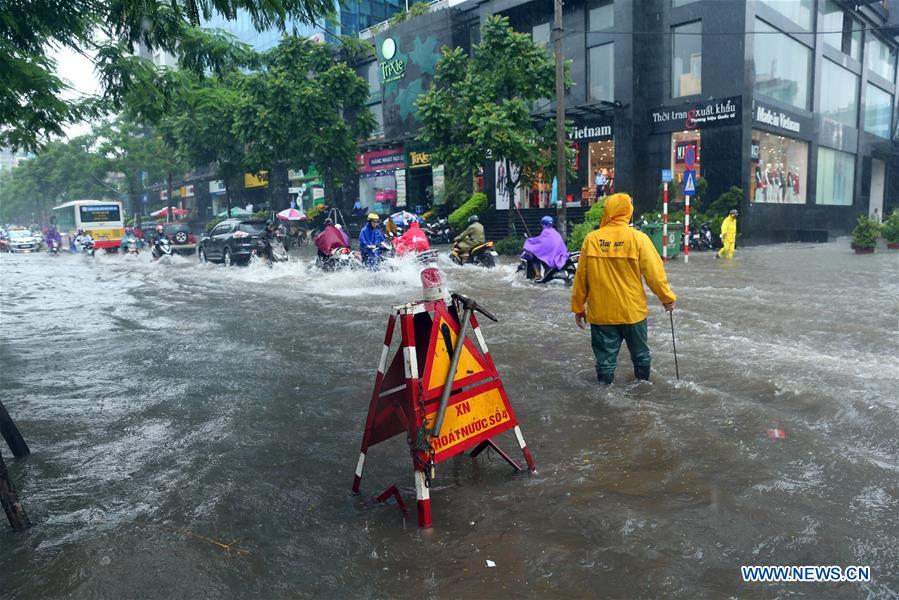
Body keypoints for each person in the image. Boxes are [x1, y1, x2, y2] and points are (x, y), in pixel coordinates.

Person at [571, 193, 677, 384]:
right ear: (628, 212)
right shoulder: (639, 239)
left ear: (608, 211)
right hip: (633, 312)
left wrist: (578, 307)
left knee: (605, 363)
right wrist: (667, 298)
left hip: (602, 314)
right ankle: (643, 390)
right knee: (641, 356)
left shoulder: (592, 240)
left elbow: (581, 278)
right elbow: (655, 274)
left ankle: (604, 400)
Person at [521, 216, 569, 282]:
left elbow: (541, 242)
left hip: (552, 255)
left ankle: (538, 275)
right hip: (558, 254)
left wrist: (530, 241)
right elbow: (544, 242)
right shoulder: (555, 232)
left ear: (543, 223)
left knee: (535, 256)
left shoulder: (546, 232)